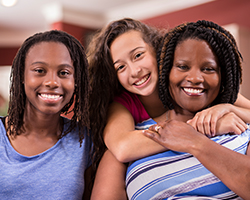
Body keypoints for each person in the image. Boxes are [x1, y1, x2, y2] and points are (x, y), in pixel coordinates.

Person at [90, 20, 250, 200]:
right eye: (120, 67)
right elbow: (122, 147)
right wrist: (195, 130)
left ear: (159, 52)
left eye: (138, 55)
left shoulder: (226, 109)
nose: (134, 71)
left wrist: (227, 109)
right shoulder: (124, 107)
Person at [0, 30, 92, 199]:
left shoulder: (85, 141)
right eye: (40, 70)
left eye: (64, 73)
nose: (52, 82)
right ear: (22, 75)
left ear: (76, 80)